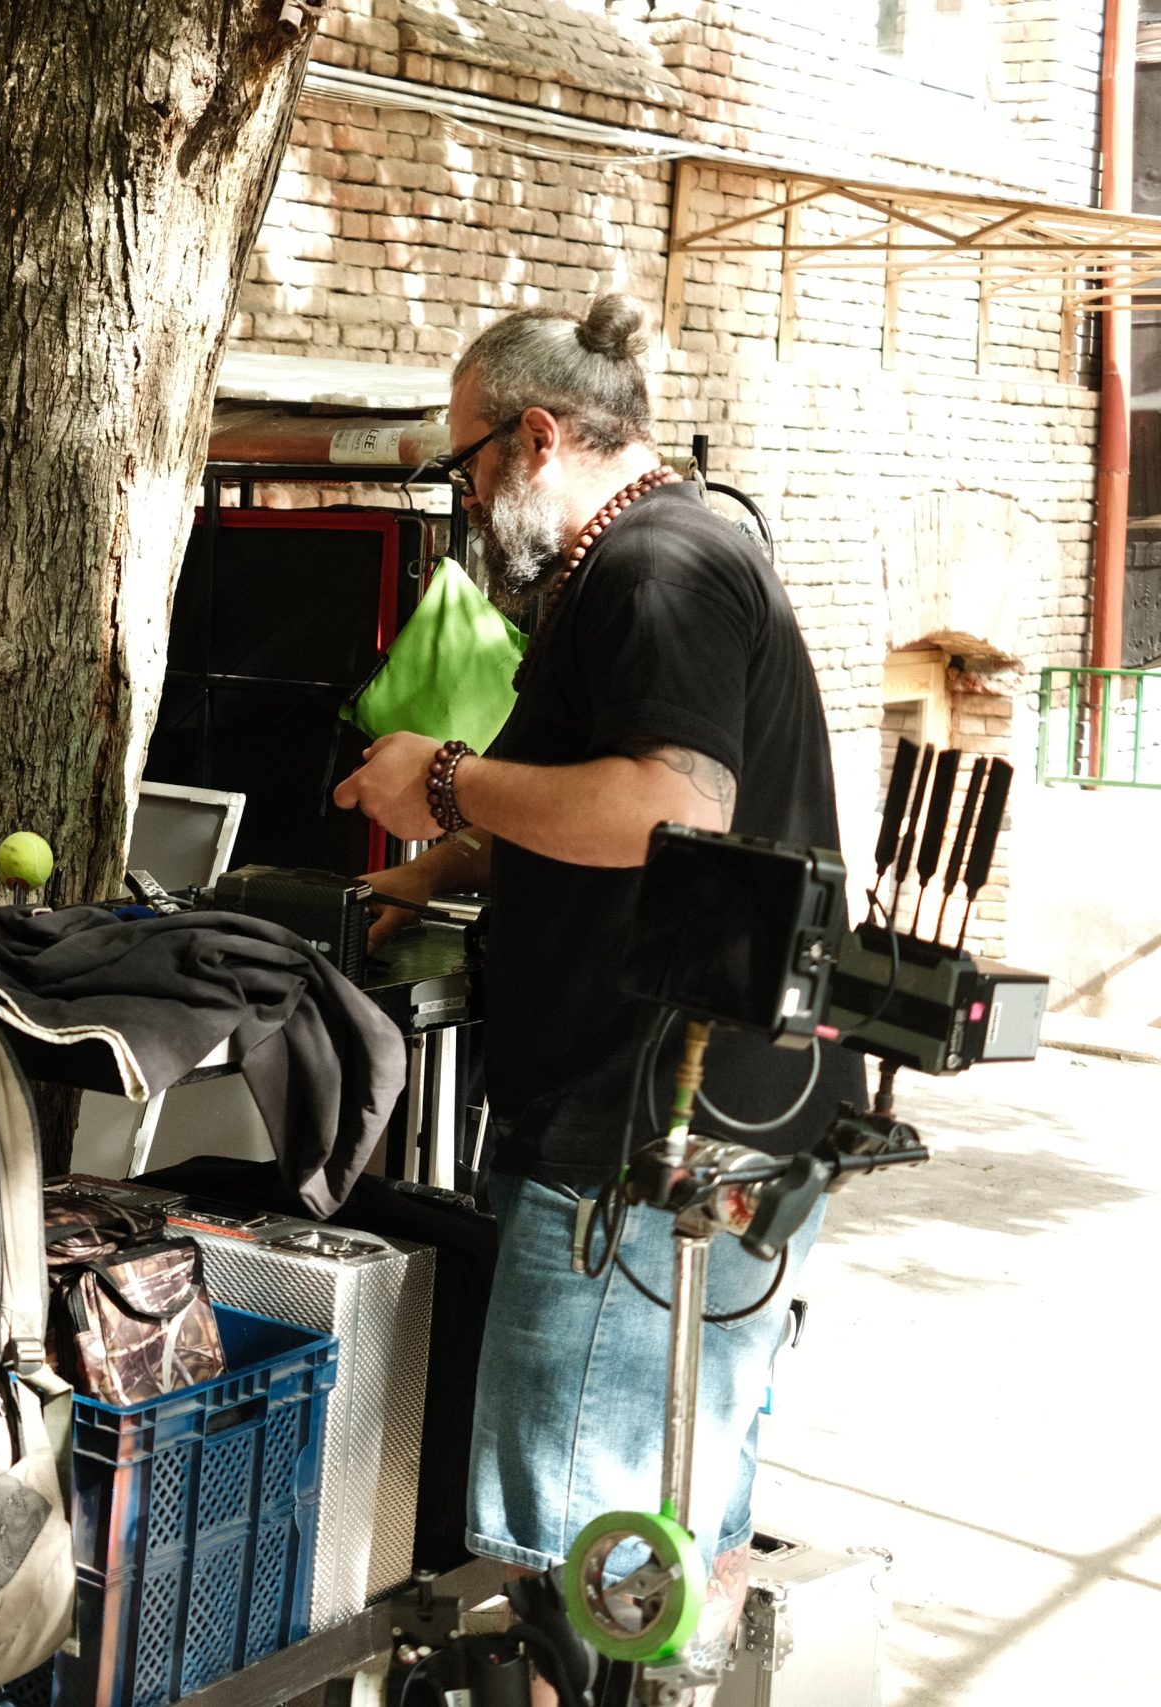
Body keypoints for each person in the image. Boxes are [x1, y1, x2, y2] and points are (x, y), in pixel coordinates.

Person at [335, 295, 859, 1694]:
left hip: (650, 1128)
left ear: (537, 437)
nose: (462, 501)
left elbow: (662, 806)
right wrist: (434, 863)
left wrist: (444, 777)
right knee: (678, 1530)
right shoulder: (642, 560)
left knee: (577, 1550)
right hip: (698, 1109)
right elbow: (583, 800)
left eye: (465, 464)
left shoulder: (656, 566)